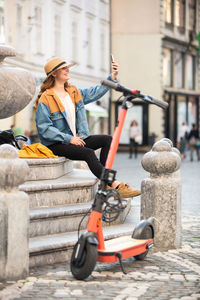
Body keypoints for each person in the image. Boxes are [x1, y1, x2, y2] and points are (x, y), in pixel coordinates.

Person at [35, 57, 141, 198]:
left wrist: (112, 77)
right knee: (88, 153)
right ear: (54, 74)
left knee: (107, 140)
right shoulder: (46, 98)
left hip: (77, 138)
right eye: (63, 68)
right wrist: (69, 138)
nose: (67, 70)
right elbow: (44, 128)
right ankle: (114, 184)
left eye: (68, 67)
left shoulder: (73, 92)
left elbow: (95, 92)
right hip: (56, 143)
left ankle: (104, 183)